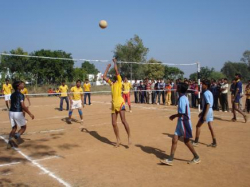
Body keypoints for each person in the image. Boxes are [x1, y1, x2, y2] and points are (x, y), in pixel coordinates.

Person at [160, 83, 200, 166]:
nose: (176, 88)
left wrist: (173, 116)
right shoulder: (182, 97)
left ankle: (196, 157)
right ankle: (170, 159)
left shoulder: (182, 98)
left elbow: (182, 113)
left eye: (177, 87)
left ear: (180, 89)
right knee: (174, 139)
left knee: (187, 141)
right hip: (180, 121)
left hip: (184, 121)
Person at [103, 58, 131, 147]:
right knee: (114, 123)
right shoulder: (112, 83)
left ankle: (129, 137)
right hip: (113, 104)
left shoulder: (119, 81)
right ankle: (118, 140)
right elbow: (103, 76)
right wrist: (107, 67)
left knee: (123, 121)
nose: (115, 76)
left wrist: (115, 62)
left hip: (120, 103)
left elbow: (116, 70)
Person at [7, 81, 34, 148]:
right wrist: (30, 114)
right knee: (23, 127)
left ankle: (10, 142)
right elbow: (23, 106)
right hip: (17, 112)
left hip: (11, 112)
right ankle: (15, 137)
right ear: (18, 86)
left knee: (14, 128)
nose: (23, 85)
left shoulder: (12, 94)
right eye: (22, 84)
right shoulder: (21, 95)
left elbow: (11, 102)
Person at [193, 80, 217, 147]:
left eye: (203, 84)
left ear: (206, 85)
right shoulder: (210, 92)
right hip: (210, 110)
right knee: (210, 126)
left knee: (198, 126)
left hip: (207, 110)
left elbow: (208, 104)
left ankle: (196, 141)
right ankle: (214, 142)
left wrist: (204, 114)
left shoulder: (206, 93)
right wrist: (202, 112)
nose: (201, 85)